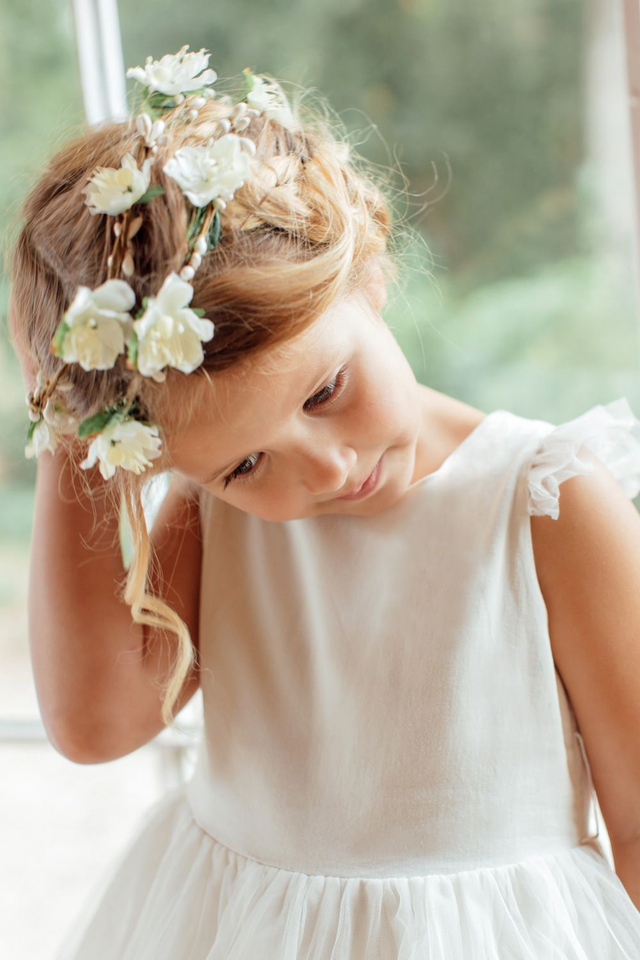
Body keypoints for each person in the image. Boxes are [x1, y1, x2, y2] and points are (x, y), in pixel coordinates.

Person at [7, 44, 640, 959]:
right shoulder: (216, 513)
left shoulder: (548, 506)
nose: (324, 470)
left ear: (369, 265)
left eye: (322, 392)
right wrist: (75, 419)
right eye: (246, 463)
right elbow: (97, 724)